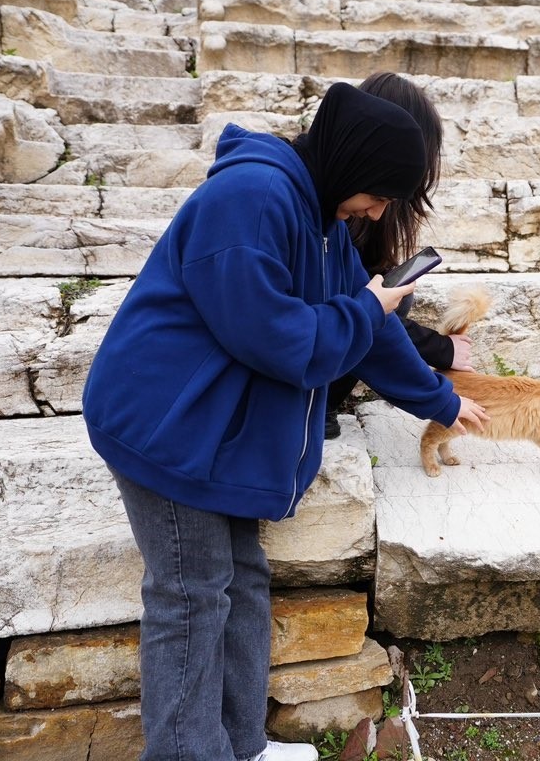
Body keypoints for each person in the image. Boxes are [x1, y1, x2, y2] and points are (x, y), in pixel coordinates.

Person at [81, 83, 488, 761]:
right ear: (351, 163)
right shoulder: (251, 200)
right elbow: (280, 339)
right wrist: (368, 308)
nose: (378, 211)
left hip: (218, 438)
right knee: (191, 600)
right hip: (166, 430)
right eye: (379, 194)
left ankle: (243, 747)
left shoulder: (320, 218)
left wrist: (440, 400)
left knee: (241, 585)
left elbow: (370, 329)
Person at [324, 73, 475, 438]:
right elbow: (355, 307)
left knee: (396, 292)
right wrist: (440, 353)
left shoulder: (371, 208)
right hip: (316, 341)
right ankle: (321, 403)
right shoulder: (343, 213)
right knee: (391, 298)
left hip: (330, 331)